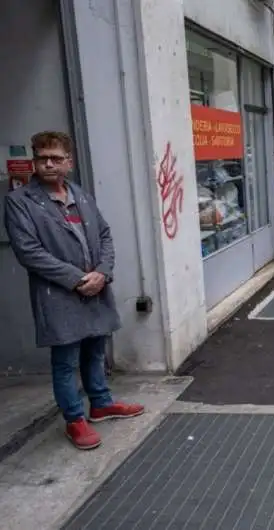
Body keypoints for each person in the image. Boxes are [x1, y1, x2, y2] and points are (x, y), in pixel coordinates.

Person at [3, 131, 144, 450]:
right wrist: (79, 279)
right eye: (41, 158)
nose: (48, 164)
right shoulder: (19, 202)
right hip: (61, 294)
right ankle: (75, 420)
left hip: (96, 287)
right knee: (65, 361)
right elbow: (29, 252)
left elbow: (105, 235)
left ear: (70, 162)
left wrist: (103, 273)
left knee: (95, 350)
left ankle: (101, 403)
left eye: (55, 158)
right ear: (34, 161)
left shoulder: (79, 194)